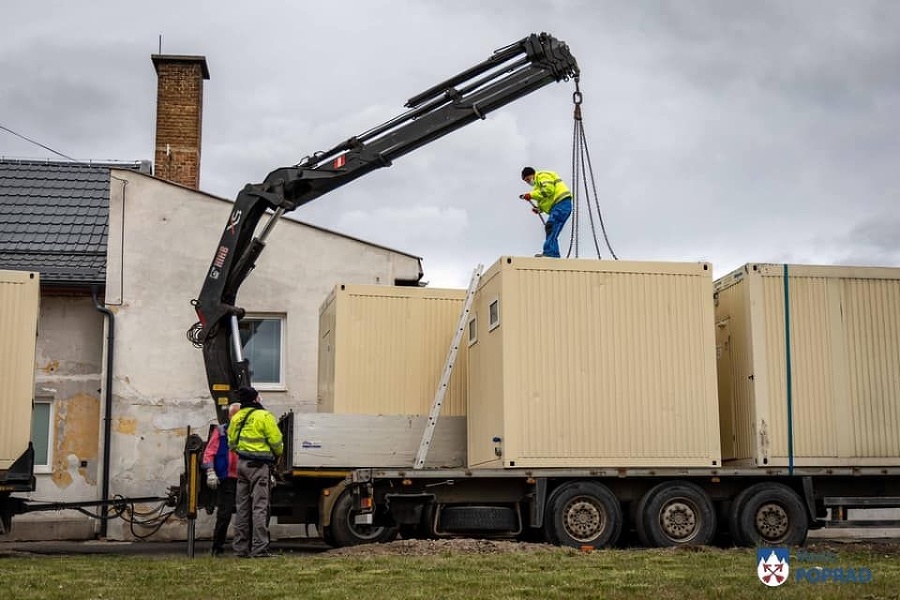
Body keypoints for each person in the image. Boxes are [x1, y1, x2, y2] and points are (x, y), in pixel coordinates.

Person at [228, 386, 284, 558]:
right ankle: (260, 549)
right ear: (254, 399)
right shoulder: (264, 416)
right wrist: (276, 454)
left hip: (242, 465)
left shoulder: (237, 417)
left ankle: (240, 549)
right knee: (259, 508)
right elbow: (276, 441)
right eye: (258, 397)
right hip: (259, 467)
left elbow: (231, 443)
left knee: (242, 509)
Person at [201, 402, 241, 556]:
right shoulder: (221, 431)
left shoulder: (247, 430)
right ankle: (217, 548)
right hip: (227, 479)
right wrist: (210, 471)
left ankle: (246, 546)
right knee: (224, 514)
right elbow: (209, 452)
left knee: (247, 513)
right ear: (230, 416)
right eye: (235, 414)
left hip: (244, 477)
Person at [519, 166, 573, 258]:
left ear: (532, 174)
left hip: (562, 203)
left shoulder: (542, 176)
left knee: (550, 226)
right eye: (526, 181)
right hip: (559, 205)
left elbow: (548, 190)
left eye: (528, 179)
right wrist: (539, 209)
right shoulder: (537, 187)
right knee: (551, 228)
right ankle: (553, 253)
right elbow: (546, 200)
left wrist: (530, 195)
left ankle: (551, 253)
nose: (528, 182)